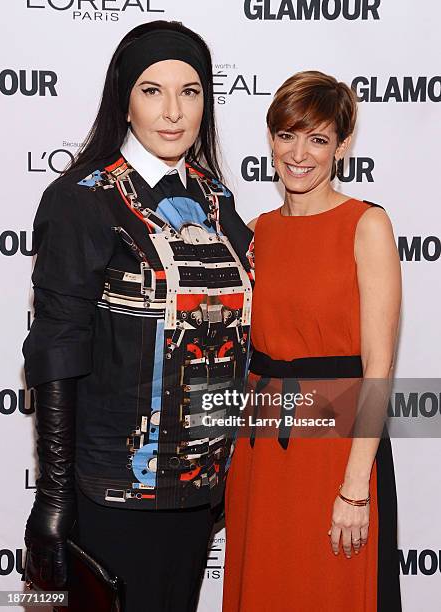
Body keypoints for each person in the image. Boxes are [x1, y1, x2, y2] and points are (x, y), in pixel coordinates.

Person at [21, 20, 253, 612]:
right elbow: (56, 348)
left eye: (191, 91)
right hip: (115, 488)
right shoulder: (83, 198)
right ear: (123, 101)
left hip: (203, 488)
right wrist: (53, 497)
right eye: (153, 91)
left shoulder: (214, 197)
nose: (174, 111)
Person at [222, 70, 402, 611]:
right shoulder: (257, 231)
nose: (299, 153)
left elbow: (379, 366)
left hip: (335, 454)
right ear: (271, 139)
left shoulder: (365, 224)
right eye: (287, 135)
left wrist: (355, 487)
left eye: (318, 138)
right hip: (261, 454)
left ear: (342, 146)